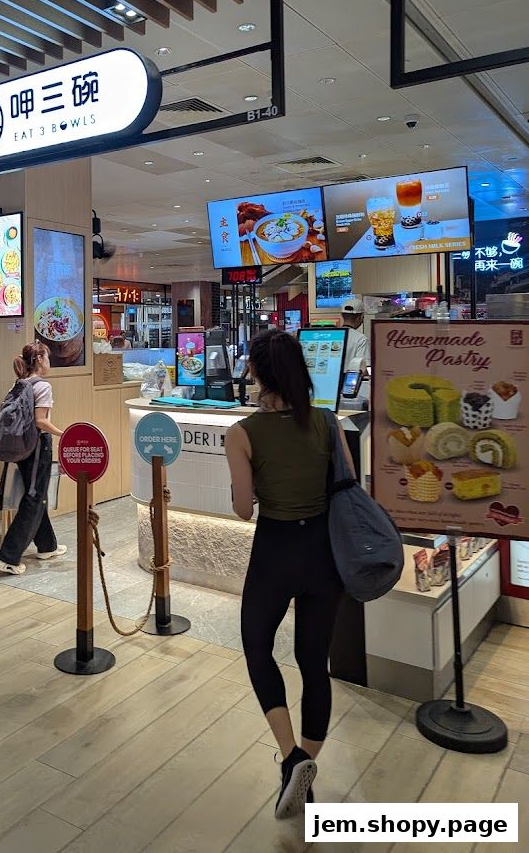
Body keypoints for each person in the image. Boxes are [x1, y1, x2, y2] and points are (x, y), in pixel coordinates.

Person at [225, 329, 355, 819]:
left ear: (257, 373)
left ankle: (291, 758)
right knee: (313, 662)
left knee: (258, 646)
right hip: (324, 553)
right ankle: (307, 763)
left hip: (275, 551)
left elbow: (243, 509)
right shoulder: (327, 421)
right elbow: (349, 485)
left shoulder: (243, 433)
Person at [0, 342, 67, 575]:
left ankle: (47, 546)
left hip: (22, 446)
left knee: (37, 494)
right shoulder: (43, 386)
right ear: (40, 360)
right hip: (38, 446)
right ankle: (8, 557)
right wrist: (64, 433)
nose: (49, 363)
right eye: (47, 358)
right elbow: (40, 421)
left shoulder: (20, 383)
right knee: (34, 497)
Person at [340, 299, 369, 372]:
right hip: (349, 378)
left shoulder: (332, 335)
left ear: (342, 315)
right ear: (360, 317)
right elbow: (362, 368)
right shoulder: (360, 339)